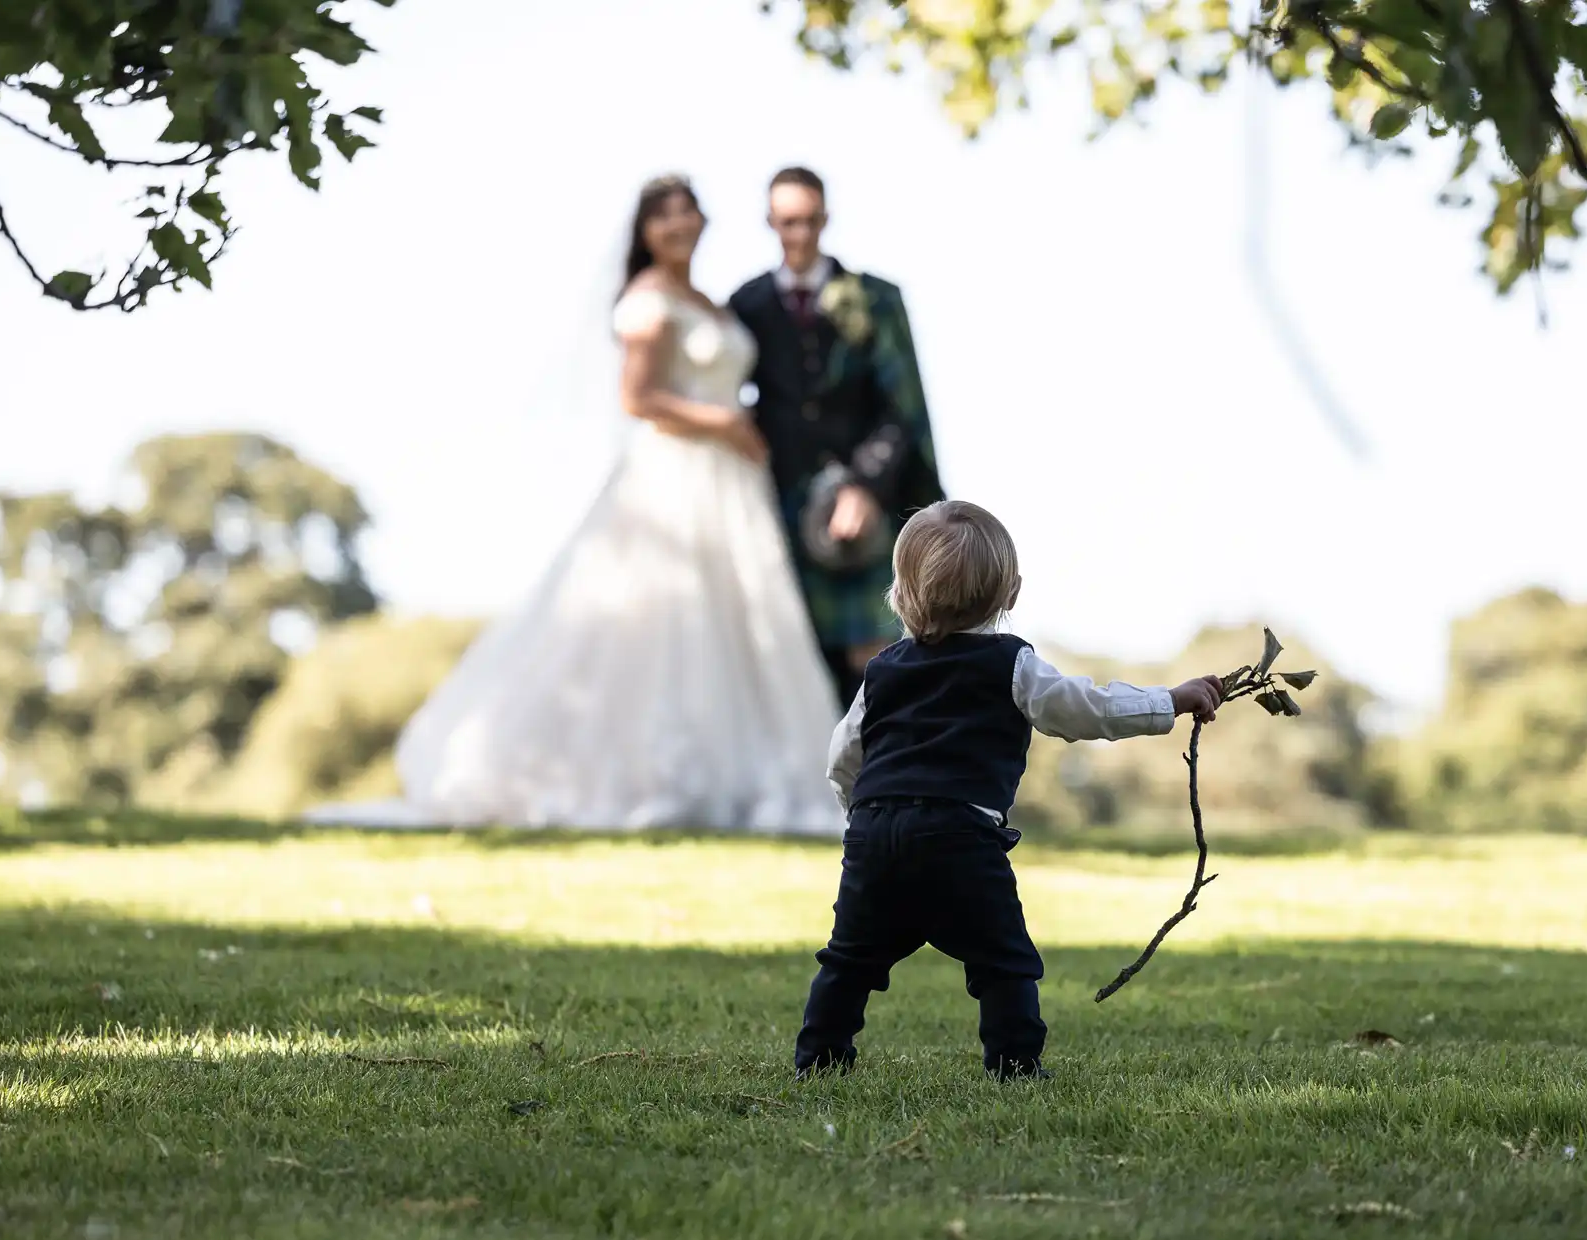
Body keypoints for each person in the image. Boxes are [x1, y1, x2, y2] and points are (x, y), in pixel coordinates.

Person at [311, 176, 841, 835]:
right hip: (677, 476)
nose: (678, 224)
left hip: (733, 485)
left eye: (687, 210)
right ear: (645, 232)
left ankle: (746, 777)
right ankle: (648, 775)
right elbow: (639, 397)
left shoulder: (711, 300)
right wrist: (723, 423)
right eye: (663, 215)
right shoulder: (648, 301)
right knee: (665, 622)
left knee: (742, 623)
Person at [794, 501, 1227, 1080]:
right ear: (1011, 593)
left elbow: (843, 756)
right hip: (959, 836)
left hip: (876, 832)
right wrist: (1167, 700)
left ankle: (819, 1061)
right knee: (1002, 960)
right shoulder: (1011, 663)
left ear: (899, 591)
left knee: (849, 958)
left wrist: (864, 820)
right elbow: (1086, 710)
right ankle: (1015, 1064)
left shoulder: (882, 670)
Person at [729, 166, 945, 712]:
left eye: (809, 220)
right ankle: (819, 794)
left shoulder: (874, 298)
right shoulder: (747, 304)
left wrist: (866, 487)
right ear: (769, 222)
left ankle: (876, 791)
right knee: (799, 657)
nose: (799, 233)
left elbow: (904, 406)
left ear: (826, 218)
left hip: (867, 497)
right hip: (780, 502)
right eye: (786, 222)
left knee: (875, 663)